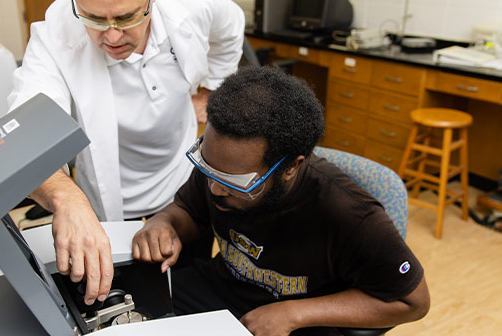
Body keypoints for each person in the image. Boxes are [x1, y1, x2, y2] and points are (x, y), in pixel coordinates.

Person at [7, 0, 245, 306]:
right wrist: (65, 198)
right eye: (94, 19)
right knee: (132, 300)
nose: (113, 36)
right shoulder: (56, 33)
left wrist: (212, 90)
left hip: (183, 191)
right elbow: (24, 134)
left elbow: (230, 29)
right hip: (112, 205)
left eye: (127, 17)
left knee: (189, 295)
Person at [132, 66, 430, 336]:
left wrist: (294, 313)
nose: (215, 189)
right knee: (130, 302)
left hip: (299, 322)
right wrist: (164, 222)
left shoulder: (349, 213)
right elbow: (188, 210)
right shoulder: (223, 166)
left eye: (234, 183)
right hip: (220, 289)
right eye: (208, 169)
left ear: (290, 167)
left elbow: (413, 302)